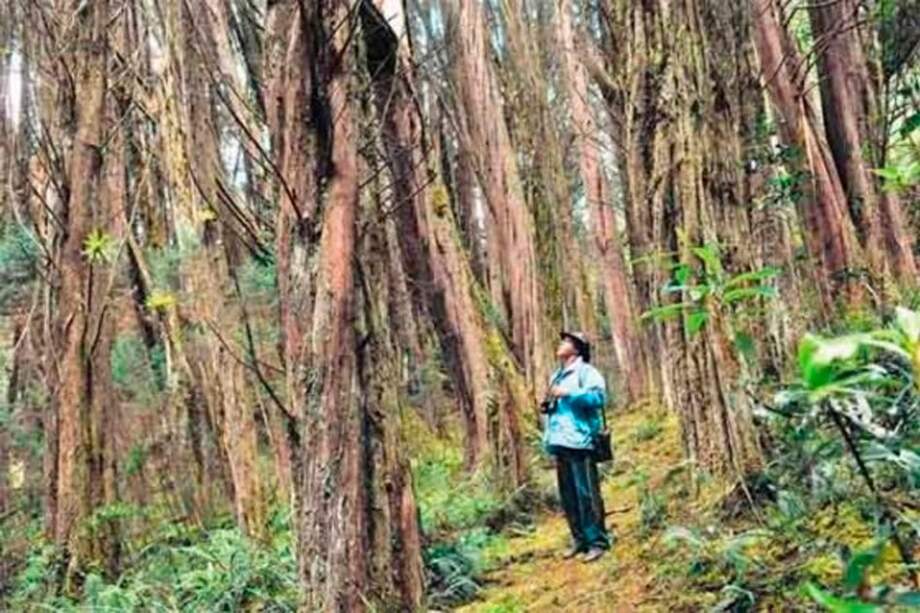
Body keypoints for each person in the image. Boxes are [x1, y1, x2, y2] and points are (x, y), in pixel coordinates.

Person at [541, 331, 611, 563]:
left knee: (586, 494)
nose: (561, 344)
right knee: (568, 494)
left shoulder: (586, 373)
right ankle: (579, 539)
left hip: (581, 442)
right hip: (559, 441)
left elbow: (598, 399)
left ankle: (597, 541)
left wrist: (570, 393)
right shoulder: (556, 376)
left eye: (566, 342)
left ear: (577, 348)